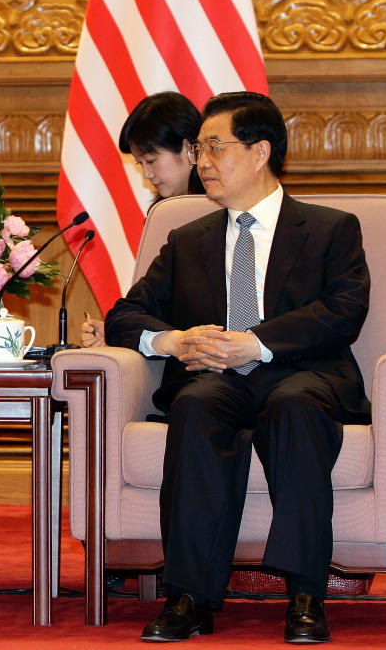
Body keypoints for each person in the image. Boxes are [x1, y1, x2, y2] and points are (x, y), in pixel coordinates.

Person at [104, 92, 370, 643]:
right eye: (198, 150)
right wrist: (172, 342)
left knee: (294, 407)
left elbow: (343, 312)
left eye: (213, 147)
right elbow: (124, 315)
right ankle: (189, 597)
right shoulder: (187, 239)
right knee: (195, 405)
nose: (200, 161)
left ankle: (304, 595)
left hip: (304, 374)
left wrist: (258, 343)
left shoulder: (330, 229)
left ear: (260, 151)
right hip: (216, 380)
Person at [82, 91, 204, 348]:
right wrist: (118, 331)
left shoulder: (221, 209)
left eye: (151, 160)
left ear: (187, 148)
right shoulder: (162, 213)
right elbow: (155, 302)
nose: (147, 174)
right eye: (140, 163)